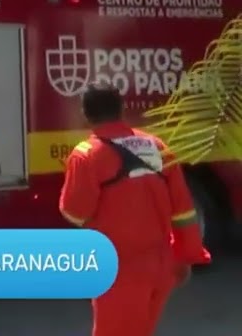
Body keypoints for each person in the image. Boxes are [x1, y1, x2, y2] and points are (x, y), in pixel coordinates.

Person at [59, 83, 211, 336]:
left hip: (118, 270)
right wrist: (187, 256)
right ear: (122, 108)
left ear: (85, 114)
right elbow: (183, 210)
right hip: (161, 267)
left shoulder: (86, 155)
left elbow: (75, 212)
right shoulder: (157, 146)